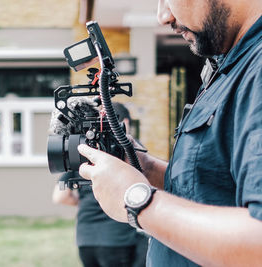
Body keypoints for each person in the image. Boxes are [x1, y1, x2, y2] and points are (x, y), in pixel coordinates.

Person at [76, 1, 262, 266]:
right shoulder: (231, 65)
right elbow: (216, 188)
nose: (163, 16)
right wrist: (148, 169)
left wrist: (138, 202)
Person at [51, 102, 148, 267]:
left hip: (85, 239)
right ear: (124, 123)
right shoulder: (130, 150)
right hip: (118, 238)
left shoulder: (83, 150)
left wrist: (87, 201)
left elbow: (60, 196)